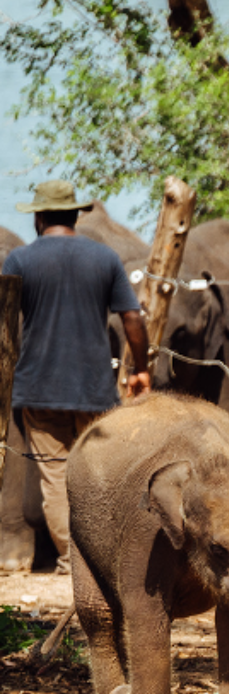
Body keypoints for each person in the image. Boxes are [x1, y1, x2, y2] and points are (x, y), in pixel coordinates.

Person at [3, 180, 151, 573]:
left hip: (38, 390)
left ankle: (74, 562)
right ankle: (105, 563)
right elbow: (132, 317)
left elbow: (4, 325)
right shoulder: (105, 258)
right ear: (74, 215)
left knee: (55, 479)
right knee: (100, 478)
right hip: (96, 391)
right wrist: (141, 369)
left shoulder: (19, 261)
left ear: (38, 217)